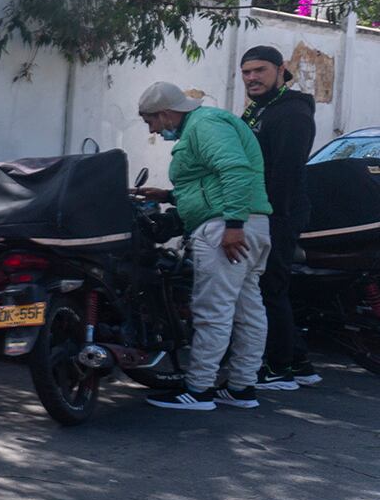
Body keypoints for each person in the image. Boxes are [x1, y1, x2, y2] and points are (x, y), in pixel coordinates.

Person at [135, 81, 273, 411]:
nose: (153, 129)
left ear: (166, 113)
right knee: (246, 309)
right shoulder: (206, 123)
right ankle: (241, 387)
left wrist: (233, 226)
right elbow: (209, 180)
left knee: (213, 310)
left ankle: (199, 390)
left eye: (150, 121)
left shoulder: (204, 125)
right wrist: (169, 195)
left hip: (227, 226)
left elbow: (235, 169)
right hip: (248, 222)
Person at [239, 46, 321, 388]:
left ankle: (279, 368)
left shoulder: (292, 114)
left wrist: (266, 217)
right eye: (246, 72)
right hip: (265, 210)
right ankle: (299, 363)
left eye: (260, 70)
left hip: (278, 213)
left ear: (281, 69)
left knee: (269, 289)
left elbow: (284, 172)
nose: (252, 77)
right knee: (268, 288)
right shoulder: (262, 109)